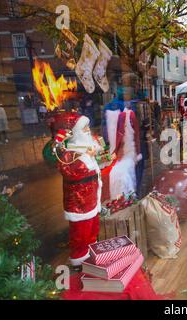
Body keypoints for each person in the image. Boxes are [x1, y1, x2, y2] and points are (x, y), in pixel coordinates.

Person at [54, 113, 102, 267]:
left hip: (92, 200)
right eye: (84, 128)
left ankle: (91, 253)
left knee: (92, 229)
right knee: (81, 233)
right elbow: (72, 171)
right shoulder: (69, 155)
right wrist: (88, 157)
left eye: (88, 127)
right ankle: (80, 261)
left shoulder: (85, 150)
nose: (88, 130)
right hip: (79, 204)